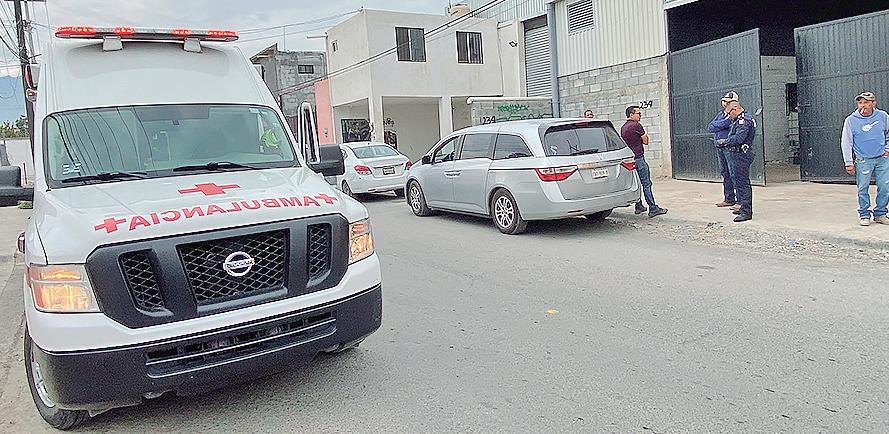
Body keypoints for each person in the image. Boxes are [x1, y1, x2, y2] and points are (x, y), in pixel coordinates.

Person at [841, 91, 889, 226]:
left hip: (882, 158)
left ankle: (880, 214)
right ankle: (864, 214)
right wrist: (848, 162)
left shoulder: (883, 116)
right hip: (863, 159)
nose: (863, 105)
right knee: (863, 187)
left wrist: (887, 149)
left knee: (885, 186)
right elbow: (846, 142)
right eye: (860, 102)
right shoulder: (851, 120)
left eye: (866, 102)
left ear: (873, 103)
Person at [621, 105, 667, 217]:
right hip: (639, 158)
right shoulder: (636, 125)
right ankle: (653, 208)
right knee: (646, 183)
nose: (640, 116)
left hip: (630, 160)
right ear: (631, 114)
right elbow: (646, 141)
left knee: (637, 183)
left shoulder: (623, 127)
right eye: (638, 113)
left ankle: (639, 205)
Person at [716, 101, 756, 222]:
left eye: (729, 113)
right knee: (738, 182)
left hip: (742, 155)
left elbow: (739, 138)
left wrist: (725, 141)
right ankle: (742, 207)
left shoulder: (744, 120)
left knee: (742, 184)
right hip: (737, 154)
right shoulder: (739, 119)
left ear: (735, 109)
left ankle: (746, 212)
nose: (729, 116)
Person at [708, 91, 740, 211]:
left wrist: (722, 124)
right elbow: (711, 127)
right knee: (725, 173)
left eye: (728, 101)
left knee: (734, 173)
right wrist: (724, 123)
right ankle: (729, 198)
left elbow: (730, 124)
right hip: (719, 146)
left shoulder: (736, 115)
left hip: (729, 147)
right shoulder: (721, 114)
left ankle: (739, 200)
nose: (725, 103)